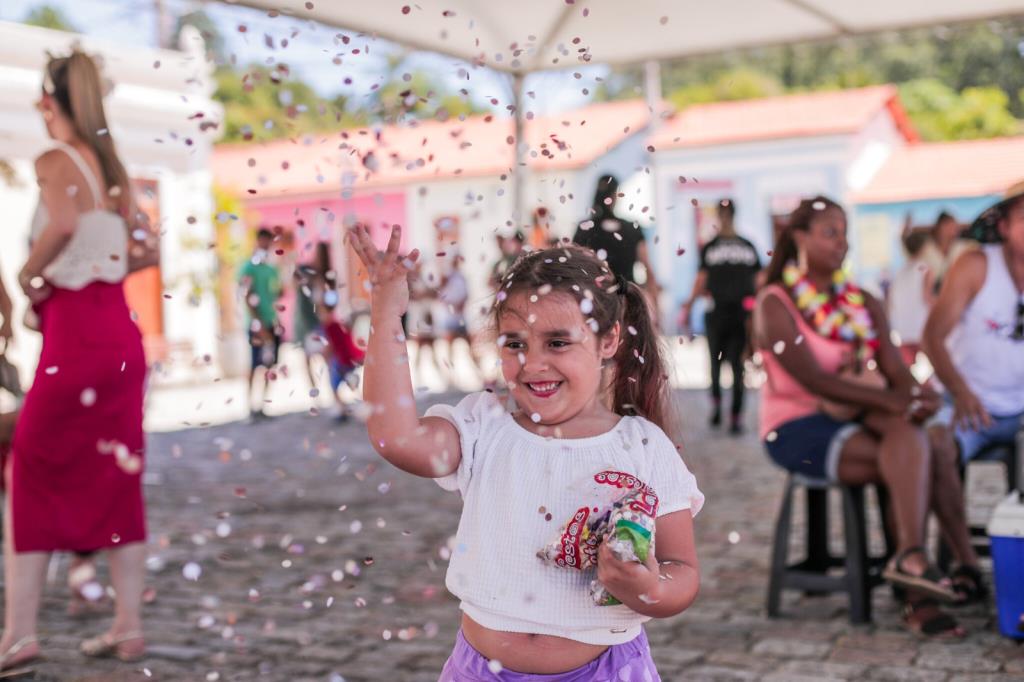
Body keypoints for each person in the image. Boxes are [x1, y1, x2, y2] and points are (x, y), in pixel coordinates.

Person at [349, 223, 702, 679]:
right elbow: (395, 437)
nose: (532, 363)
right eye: (515, 344)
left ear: (609, 340)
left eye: (557, 342)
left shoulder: (643, 447)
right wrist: (386, 314)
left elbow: (684, 571)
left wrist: (649, 586)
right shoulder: (482, 426)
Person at [754, 196, 984, 638]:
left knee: (919, 437)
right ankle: (919, 585)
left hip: (859, 414)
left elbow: (896, 370)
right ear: (798, 237)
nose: (841, 242)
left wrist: (919, 396)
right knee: (904, 452)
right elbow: (816, 381)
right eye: (829, 232)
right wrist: (893, 402)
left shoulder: (862, 299)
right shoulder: (776, 302)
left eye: (844, 232)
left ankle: (915, 562)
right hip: (797, 427)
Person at [1, 49, 151, 669]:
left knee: (28, 473)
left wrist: (30, 277)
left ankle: (19, 635)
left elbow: (61, 222)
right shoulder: (109, 163)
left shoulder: (55, 159)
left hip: (75, 342)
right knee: (119, 473)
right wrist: (83, 272)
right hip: (120, 337)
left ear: (47, 100)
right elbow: (145, 249)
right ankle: (128, 625)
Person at [923, 180, 1024, 470]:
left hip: (1019, 414)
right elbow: (932, 337)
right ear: (1003, 227)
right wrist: (960, 392)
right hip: (963, 406)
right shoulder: (976, 265)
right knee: (936, 448)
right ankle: (954, 519)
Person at [681, 199, 761, 434]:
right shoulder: (747, 246)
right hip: (739, 314)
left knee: (717, 364)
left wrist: (689, 306)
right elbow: (759, 282)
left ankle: (720, 410)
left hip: (720, 313)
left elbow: (701, 281)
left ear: (718, 215)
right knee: (736, 367)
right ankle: (734, 417)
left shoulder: (712, 246)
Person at [573, 174, 661, 313]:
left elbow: (575, 269)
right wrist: (656, 308)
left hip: (596, 302)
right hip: (627, 300)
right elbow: (648, 268)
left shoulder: (585, 228)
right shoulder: (632, 228)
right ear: (614, 196)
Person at [239, 227, 283, 420]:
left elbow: (276, 293)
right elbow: (247, 296)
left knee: (268, 364)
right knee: (254, 364)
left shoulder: (271, 268)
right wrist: (257, 321)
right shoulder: (249, 267)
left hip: (271, 321)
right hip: (257, 324)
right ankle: (250, 406)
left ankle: (263, 405)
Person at [888, 227, 936, 367]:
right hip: (921, 326)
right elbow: (927, 297)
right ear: (925, 248)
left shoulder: (900, 270)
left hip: (902, 327)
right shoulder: (925, 268)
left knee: (908, 367)